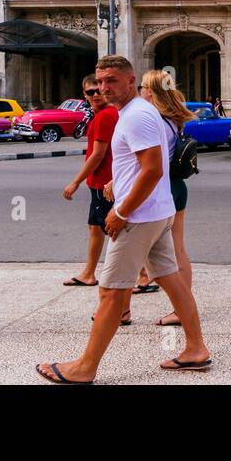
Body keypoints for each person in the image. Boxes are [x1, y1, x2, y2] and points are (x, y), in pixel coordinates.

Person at [36, 55, 212, 383]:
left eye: (112, 81)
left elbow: (153, 169)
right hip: (157, 211)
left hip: (139, 217)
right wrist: (118, 184)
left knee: (111, 292)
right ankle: (196, 349)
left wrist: (121, 211)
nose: (103, 88)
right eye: (99, 82)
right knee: (172, 280)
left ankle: (85, 367)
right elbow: (143, 165)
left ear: (132, 82)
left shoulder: (135, 116)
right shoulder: (137, 113)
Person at [139, 69, 194, 328]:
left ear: (150, 91)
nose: (139, 91)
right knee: (178, 249)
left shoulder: (156, 121)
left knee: (157, 252)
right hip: (177, 185)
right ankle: (181, 306)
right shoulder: (174, 118)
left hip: (160, 188)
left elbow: (150, 164)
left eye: (142, 87)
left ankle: (180, 307)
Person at [62, 75, 119, 296]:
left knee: (112, 229)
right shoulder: (105, 114)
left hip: (103, 182)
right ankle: (89, 272)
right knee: (97, 228)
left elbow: (97, 155)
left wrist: (75, 182)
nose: (95, 95)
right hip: (103, 181)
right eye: (90, 92)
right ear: (83, 94)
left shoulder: (105, 117)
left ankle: (142, 274)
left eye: (98, 90)